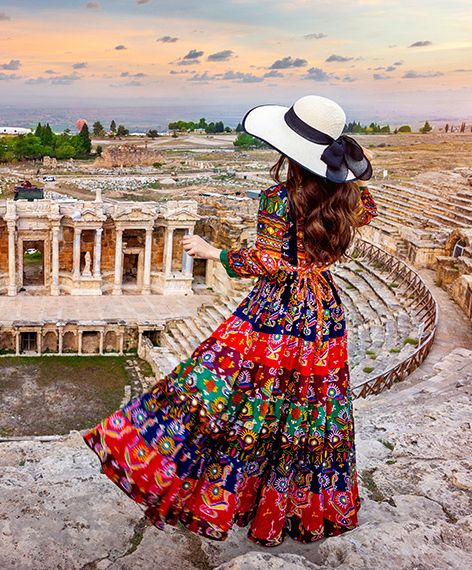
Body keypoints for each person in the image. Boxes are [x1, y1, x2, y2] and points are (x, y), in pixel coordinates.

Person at [84, 95, 378, 546]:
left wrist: (213, 253)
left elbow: (266, 261)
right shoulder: (351, 197)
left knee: (216, 392)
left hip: (277, 313)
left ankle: (165, 468)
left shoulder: (279, 199)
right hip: (324, 312)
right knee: (308, 413)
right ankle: (292, 513)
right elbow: (366, 212)